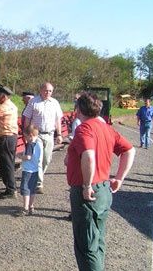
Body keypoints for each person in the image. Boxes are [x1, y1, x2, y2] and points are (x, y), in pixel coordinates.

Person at [65, 92, 135, 271]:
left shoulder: (84, 128)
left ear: (79, 108)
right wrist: (119, 178)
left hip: (88, 192)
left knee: (86, 246)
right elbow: (129, 150)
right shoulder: (106, 128)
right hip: (104, 189)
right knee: (98, 241)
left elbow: (89, 155)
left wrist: (87, 185)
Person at [22, 82, 63, 194]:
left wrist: (59, 134)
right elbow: (27, 118)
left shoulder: (55, 103)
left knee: (47, 159)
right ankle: (39, 183)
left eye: (50, 91)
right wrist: (26, 134)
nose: (47, 93)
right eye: (46, 90)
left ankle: (38, 176)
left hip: (49, 134)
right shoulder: (33, 102)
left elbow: (58, 120)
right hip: (37, 135)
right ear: (41, 90)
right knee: (39, 159)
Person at [17, 125, 43, 216]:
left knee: (26, 189)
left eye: (25, 136)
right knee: (32, 189)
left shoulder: (30, 144)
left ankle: (25, 208)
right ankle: (31, 206)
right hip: (35, 170)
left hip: (28, 170)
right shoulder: (39, 143)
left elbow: (28, 157)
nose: (25, 139)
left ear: (30, 135)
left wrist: (20, 157)